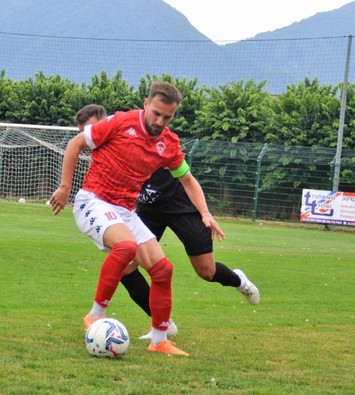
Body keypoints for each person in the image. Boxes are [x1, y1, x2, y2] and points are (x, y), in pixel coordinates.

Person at [51, 82, 225, 356]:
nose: (159, 121)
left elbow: (188, 180)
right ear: (146, 104)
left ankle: (159, 341)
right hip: (93, 200)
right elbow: (76, 143)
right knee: (127, 247)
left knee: (163, 269)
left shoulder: (168, 144)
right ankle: (95, 316)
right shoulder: (119, 122)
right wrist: (64, 187)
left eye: (167, 117)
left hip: (125, 211)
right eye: (156, 113)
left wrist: (205, 213)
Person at [74, 104, 260, 340]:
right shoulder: (106, 149)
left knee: (206, 270)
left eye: (90, 130)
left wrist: (204, 212)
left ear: (105, 121)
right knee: (126, 264)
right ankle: (161, 324)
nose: (89, 138)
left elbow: (187, 179)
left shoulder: (143, 136)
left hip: (180, 206)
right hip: (147, 209)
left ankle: (239, 281)